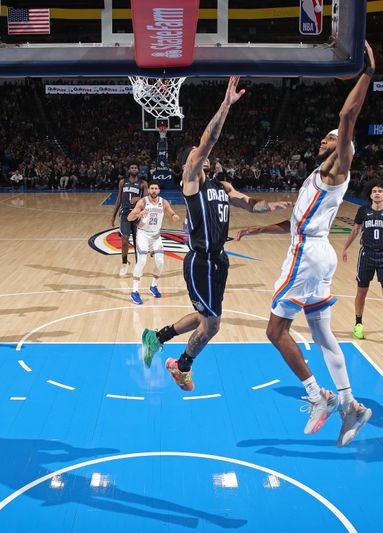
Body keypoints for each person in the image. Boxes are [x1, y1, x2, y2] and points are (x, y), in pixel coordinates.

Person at [235, 43, 377, 447]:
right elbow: (297, 222)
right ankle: (351, 406)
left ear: (342, 146)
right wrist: (257, 231)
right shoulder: (317, 177)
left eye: (328, 140)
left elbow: (348, 115)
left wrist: (368, 72)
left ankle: (320, 397)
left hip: (308, 257)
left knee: (275, 330)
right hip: (316, 252)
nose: (322, 143)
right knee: (322, 336)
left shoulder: (337, 167)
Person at [140, 76, 290, 391]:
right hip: (200, 262)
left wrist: (270, 206)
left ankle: (156, 337)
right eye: (196, 154)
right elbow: (207, 142)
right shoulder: (191, 182)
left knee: (202, 316)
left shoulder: (221, 186)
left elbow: (248, 203)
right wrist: (225, 105)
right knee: (212, 326)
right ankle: (181, 366)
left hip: (219, 261)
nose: (202, 154)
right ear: (188, 165)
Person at [340, 181, 383, 346]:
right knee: (362, 292)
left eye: (379, 191)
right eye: (374, 191)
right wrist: (345, 248)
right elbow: (355, 230)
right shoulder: (363, 210)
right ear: (370, 195)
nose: (376, 193)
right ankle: (358, 324)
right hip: (366, 255)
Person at [125, 182, 180, 304]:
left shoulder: (164, 202)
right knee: (142, 261)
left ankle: (153, 286)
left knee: (160, 262)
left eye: (156, 188)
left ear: (159, 190)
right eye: (152, 188)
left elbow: (171, 212)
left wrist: (174, 216)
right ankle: (134, 291)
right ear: (149, 190)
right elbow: (129, 217)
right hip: (143, 234)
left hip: (156, 235)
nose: (154, 190)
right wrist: (138, 214)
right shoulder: (143, 202)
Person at [110, 163, 147, 276]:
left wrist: (139, 198)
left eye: (136, 167)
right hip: (125, 213)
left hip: (137, 214)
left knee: (137, 242)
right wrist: (113, 215)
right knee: (124, 240)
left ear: (138, 170)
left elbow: (147, 200)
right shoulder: (122, 182)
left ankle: (138, 265)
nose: (134, 169)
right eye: (132, 167)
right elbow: (118, 199)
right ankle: (125, 263)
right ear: (129, 169)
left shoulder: (143, 183)